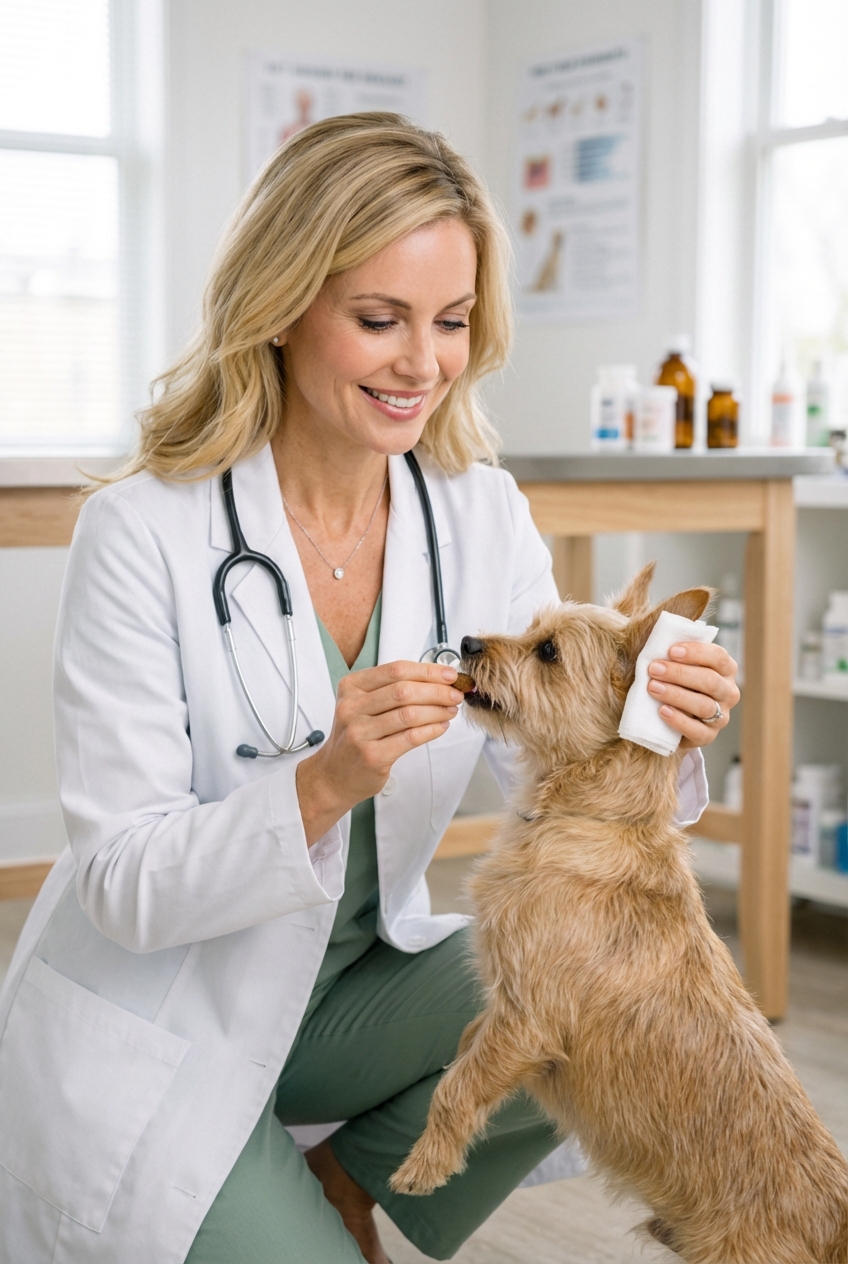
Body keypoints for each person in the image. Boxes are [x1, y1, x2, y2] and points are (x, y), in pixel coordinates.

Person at [0, 114, 739, 1264]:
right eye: (378, 320)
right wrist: (320, 782)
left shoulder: (474, 509)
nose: (422, 364)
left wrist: (663, 719)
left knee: (615, 982)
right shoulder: (141, 529)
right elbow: (120, 884)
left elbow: (555, 749)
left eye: (449, 323)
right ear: (285, 303)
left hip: (349, 995)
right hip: (169, 1010)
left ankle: (341, 1173)